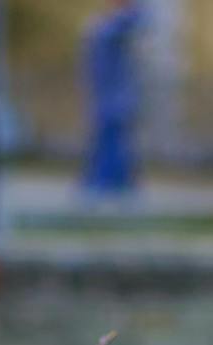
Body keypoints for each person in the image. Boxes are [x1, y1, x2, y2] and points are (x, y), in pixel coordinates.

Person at [79, 0, 141, 198]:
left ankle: (110, 185)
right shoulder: (106, 28)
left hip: (115, 98)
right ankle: (102, 184)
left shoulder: (111, 26)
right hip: (108, 97)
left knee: (113, 142)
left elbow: (138, 20)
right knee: (108, 142)